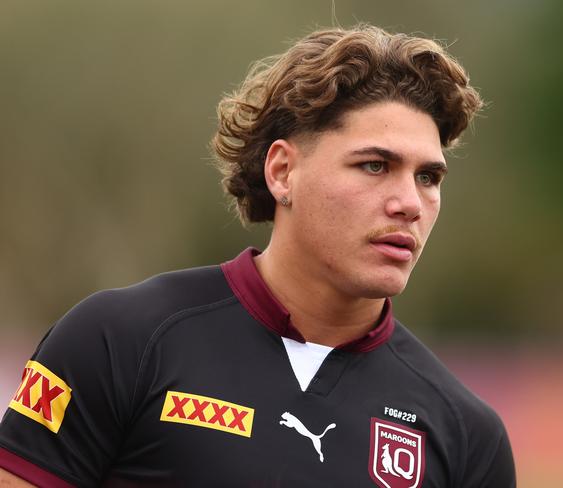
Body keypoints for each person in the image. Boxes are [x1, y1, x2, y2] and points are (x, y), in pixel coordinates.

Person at [0, 24, 515, 487]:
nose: (409, 204)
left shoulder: (467, 436)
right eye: (375, 166)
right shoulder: (117, 341)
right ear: (283, 172)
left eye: (428, 177)